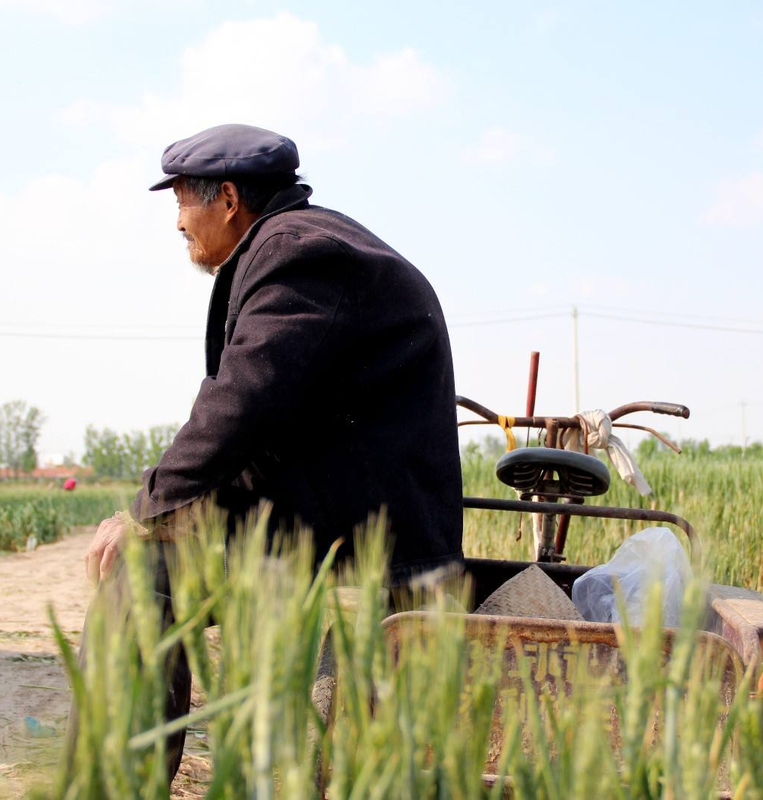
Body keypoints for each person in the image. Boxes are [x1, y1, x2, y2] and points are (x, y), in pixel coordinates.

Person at [70, 123, 464, 781]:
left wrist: (146, 512)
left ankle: (113, 784)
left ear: (227, 198)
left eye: (180, 203)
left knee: (140, 568)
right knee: (149, 566)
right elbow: (271, 420)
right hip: (320, 521)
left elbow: (241, 403)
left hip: (362, 547)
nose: (176, 224)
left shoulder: (298, 256)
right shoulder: (297, 247)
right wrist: (178, 511)